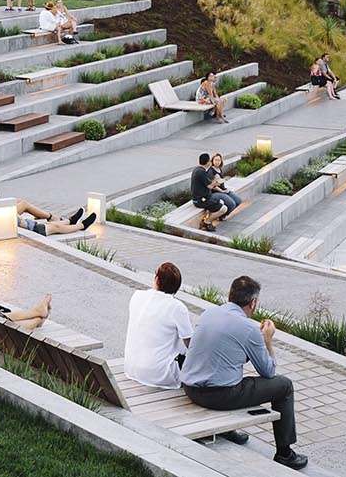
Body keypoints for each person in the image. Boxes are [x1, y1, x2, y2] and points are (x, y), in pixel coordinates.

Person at [179, 275, 307, 470]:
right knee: (284, 386)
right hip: (219, 396)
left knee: (229, 374)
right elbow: (268, 371)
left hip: (190, 389)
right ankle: (285, 453)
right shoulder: (248, 328)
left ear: (230, 295)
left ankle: (227, 430)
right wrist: (267, 341)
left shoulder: (209, 313)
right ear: (253, 303)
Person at [125, 262, 194, 389]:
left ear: (156, 280)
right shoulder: (177, 307)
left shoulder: (137, 295)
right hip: (159, 375)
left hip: (131, 368)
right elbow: (190, 344)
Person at [191, 152, 237, 230]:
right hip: (201, 200)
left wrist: (215, 182)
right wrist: (217, 181)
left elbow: (208, 184)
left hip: (200, 198)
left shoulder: (196, 170)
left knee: (220, 202)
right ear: (208, 162)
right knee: (224, 209)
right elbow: (210, 186)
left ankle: (208, 220)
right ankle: (207, 222)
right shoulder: (202, 172)